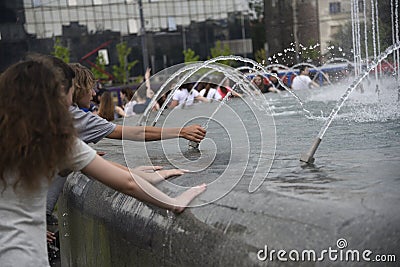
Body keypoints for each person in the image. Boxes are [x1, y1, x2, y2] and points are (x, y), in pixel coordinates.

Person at [0, 59, 207, 266]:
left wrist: (138, 174)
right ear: (59, 96)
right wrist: (174, 202)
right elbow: (128, 183)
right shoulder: (59, 140)